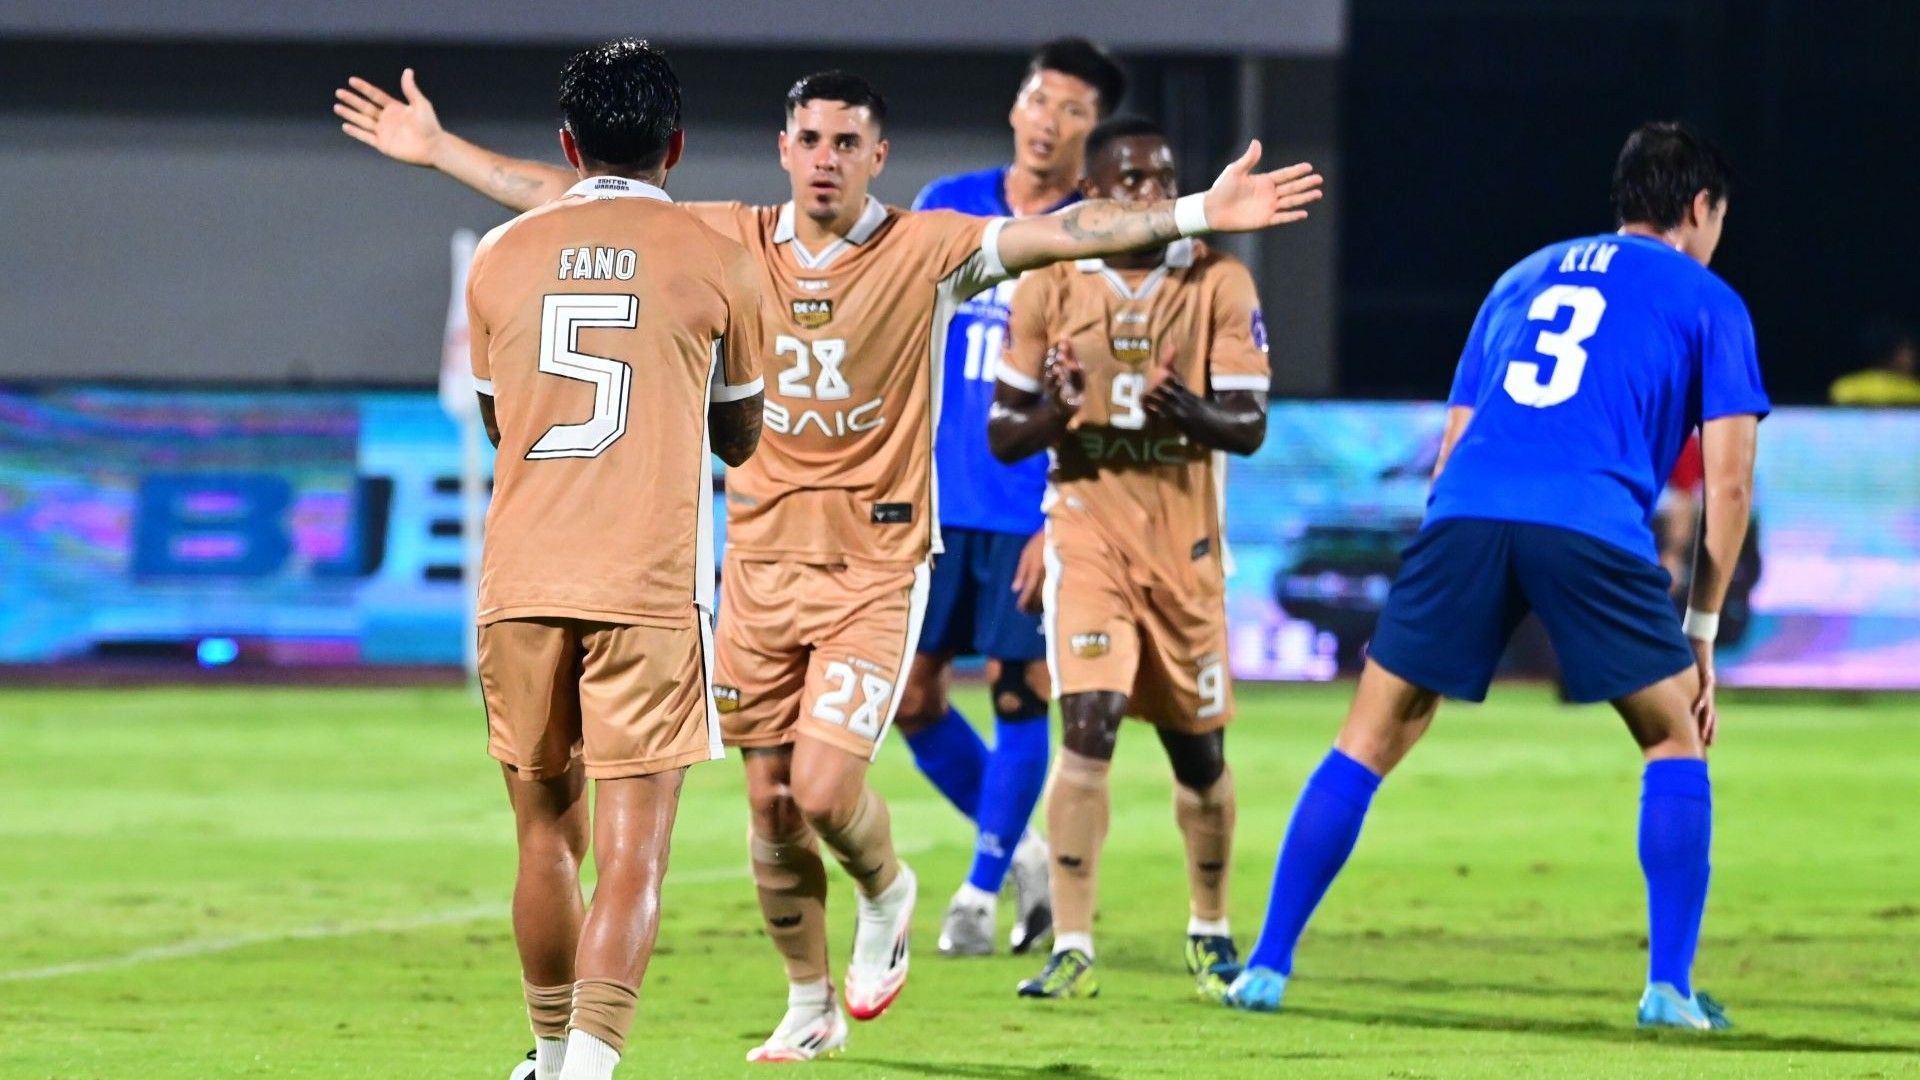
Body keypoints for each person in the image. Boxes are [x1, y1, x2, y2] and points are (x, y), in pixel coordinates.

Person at [336, 62, 1322, 1061]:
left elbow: (1060, 233)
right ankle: (808, 1002)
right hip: (759, 566)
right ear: (783, 148)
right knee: (766, 805)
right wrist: (441, 151)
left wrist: (1199, 209)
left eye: (847, 143)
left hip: (874, 562)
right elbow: (586, 199)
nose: (825, 159)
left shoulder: (929, 248)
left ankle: (886, 890)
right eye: (809, 139)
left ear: (878, 157)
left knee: (816, 790)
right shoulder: (728, 238)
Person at [1222, 122, 1768, 1034]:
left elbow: (1451, 445)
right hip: (1588, 516)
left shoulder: (1523, 275)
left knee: (1368, 736)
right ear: (1701, 207)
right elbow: (1731, 482)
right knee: (1675, 740)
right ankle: (1668, 988)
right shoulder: (1709, 299)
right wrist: (1701, 634)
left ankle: (1268, 967)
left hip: (1468, 507)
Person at [456, 41, 765, 1080]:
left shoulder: (497, 257)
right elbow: (739, 437)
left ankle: (548, 1057)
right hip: (647, 583)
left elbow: (506, 424)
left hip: (522, 580)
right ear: (676, 146)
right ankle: (587, 1071)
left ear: (566, 144)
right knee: (637, 847)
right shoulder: (718, 254)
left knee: (545, 835)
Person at [987, 116, 1271, 1001]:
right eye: (1134, 180)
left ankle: (1211, 927)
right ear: (1095, 192)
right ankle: (1072, 943)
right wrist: (1060, 413)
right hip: (1087, 533)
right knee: (1089, 724)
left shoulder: (1221, 279)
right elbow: (1005, 433)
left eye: (1164, 178)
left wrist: (1187, 408)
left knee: (1200, 762)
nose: (1152, 194)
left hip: (1185, 554)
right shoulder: (1048, 284)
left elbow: (1250, 426)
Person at [901, 37, 1129, 960]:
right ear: (1016, 107)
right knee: (913, 697)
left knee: (1021, 687)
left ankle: (979, 891)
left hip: (1031, 503)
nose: (1051, 121)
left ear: (1093, 127)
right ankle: (1025, 846)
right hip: (934, 494)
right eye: (1041, 100)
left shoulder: (1100, 229)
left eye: (1074, 110)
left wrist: (1059, 514)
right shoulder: (944, 205)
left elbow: (1105, 388)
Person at [1828, 319, 1920, 405]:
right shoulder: (1845, 389)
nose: (1914, 357)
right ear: (1892, 352)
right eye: (1908, 351)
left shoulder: (1844, 387)